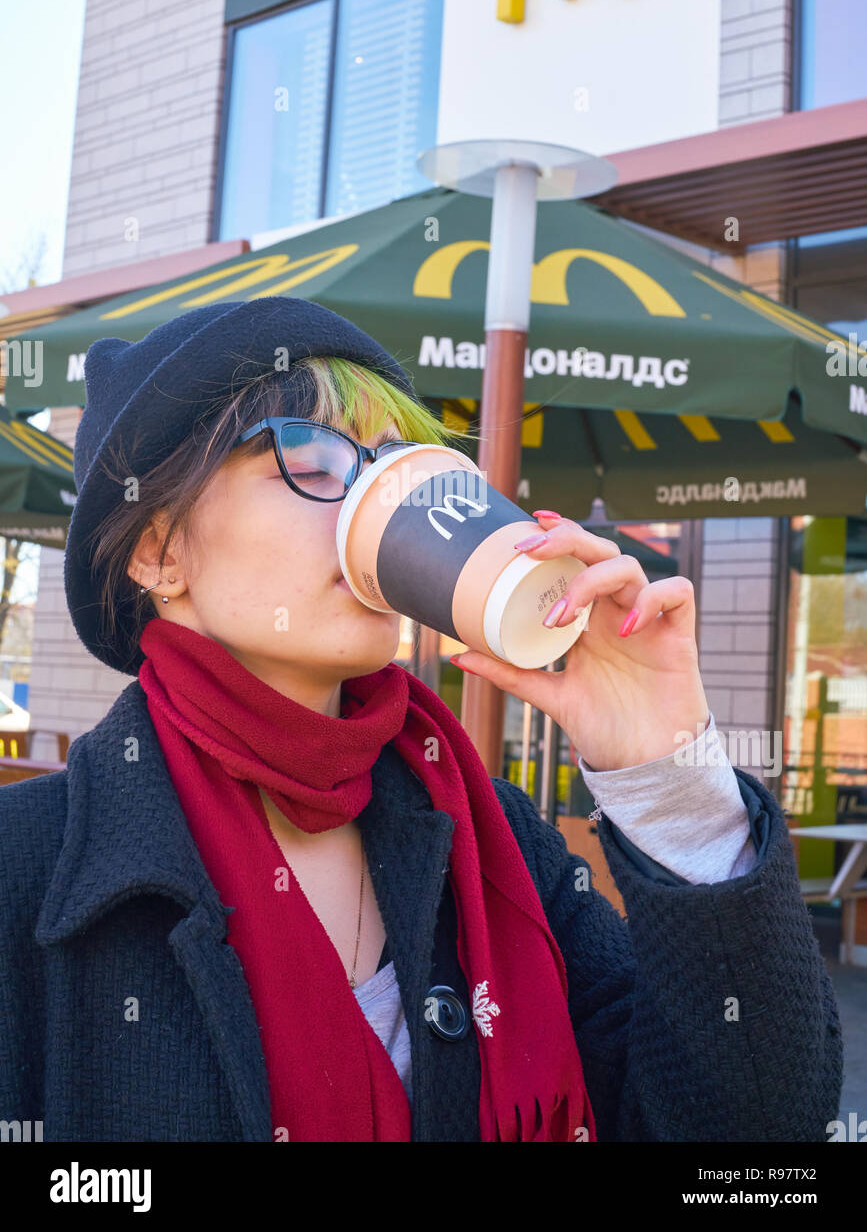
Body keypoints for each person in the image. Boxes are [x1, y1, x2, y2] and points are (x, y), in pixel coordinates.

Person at [0, 294, 842, 1142]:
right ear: (159, 551)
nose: (376, 501)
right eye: (313, 457)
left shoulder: (494, 838)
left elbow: (753, 1149)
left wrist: (669, 778)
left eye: (396, 462)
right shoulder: (24, 866)